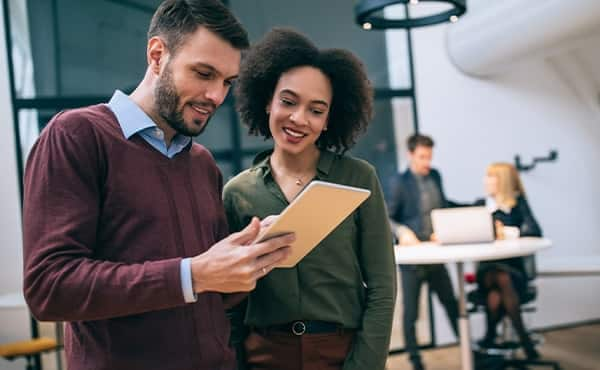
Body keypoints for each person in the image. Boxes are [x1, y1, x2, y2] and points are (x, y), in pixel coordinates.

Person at [21, 2, 294, 370]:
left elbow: (207, 290)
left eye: (227, 82)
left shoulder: (202, 164)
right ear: (156, 55)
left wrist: (247, 262)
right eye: (203, 73)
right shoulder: (77, 135)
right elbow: (49, 288)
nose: (216, 96)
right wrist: (193, 273)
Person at [223, 28, 397, 370]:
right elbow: (231, 302)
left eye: (316, 110)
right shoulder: (237, 193)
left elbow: (382, 288)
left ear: (330, 119)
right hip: (264, 356)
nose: (299, 119)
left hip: (341, 354)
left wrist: (364, 364)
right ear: (267, 100)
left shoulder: (359, 178)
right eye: (288, 102)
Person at [389, 134, 459, 370]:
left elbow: (444, 206)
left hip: (436, 254)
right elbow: (387, 216)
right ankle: (415, 360)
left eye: (429, 157)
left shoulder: (436, 176)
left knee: (451, 303)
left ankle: (469, 350)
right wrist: (402, 231)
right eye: (422, 157)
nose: (427, 162)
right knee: (411, 314)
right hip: (413, 259)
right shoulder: (400, 182)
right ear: (410, 155)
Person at [474, 162, 542, 359]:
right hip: (486, 272)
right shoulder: (481, 205)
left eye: (490, 177)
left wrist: (508, 232)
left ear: (501, 181)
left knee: (498, 289)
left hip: (514, 273)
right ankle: (524, 339)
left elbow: (535, 230)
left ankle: (489, 336)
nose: (485, 181)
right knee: (497, 277)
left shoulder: (517, 205)